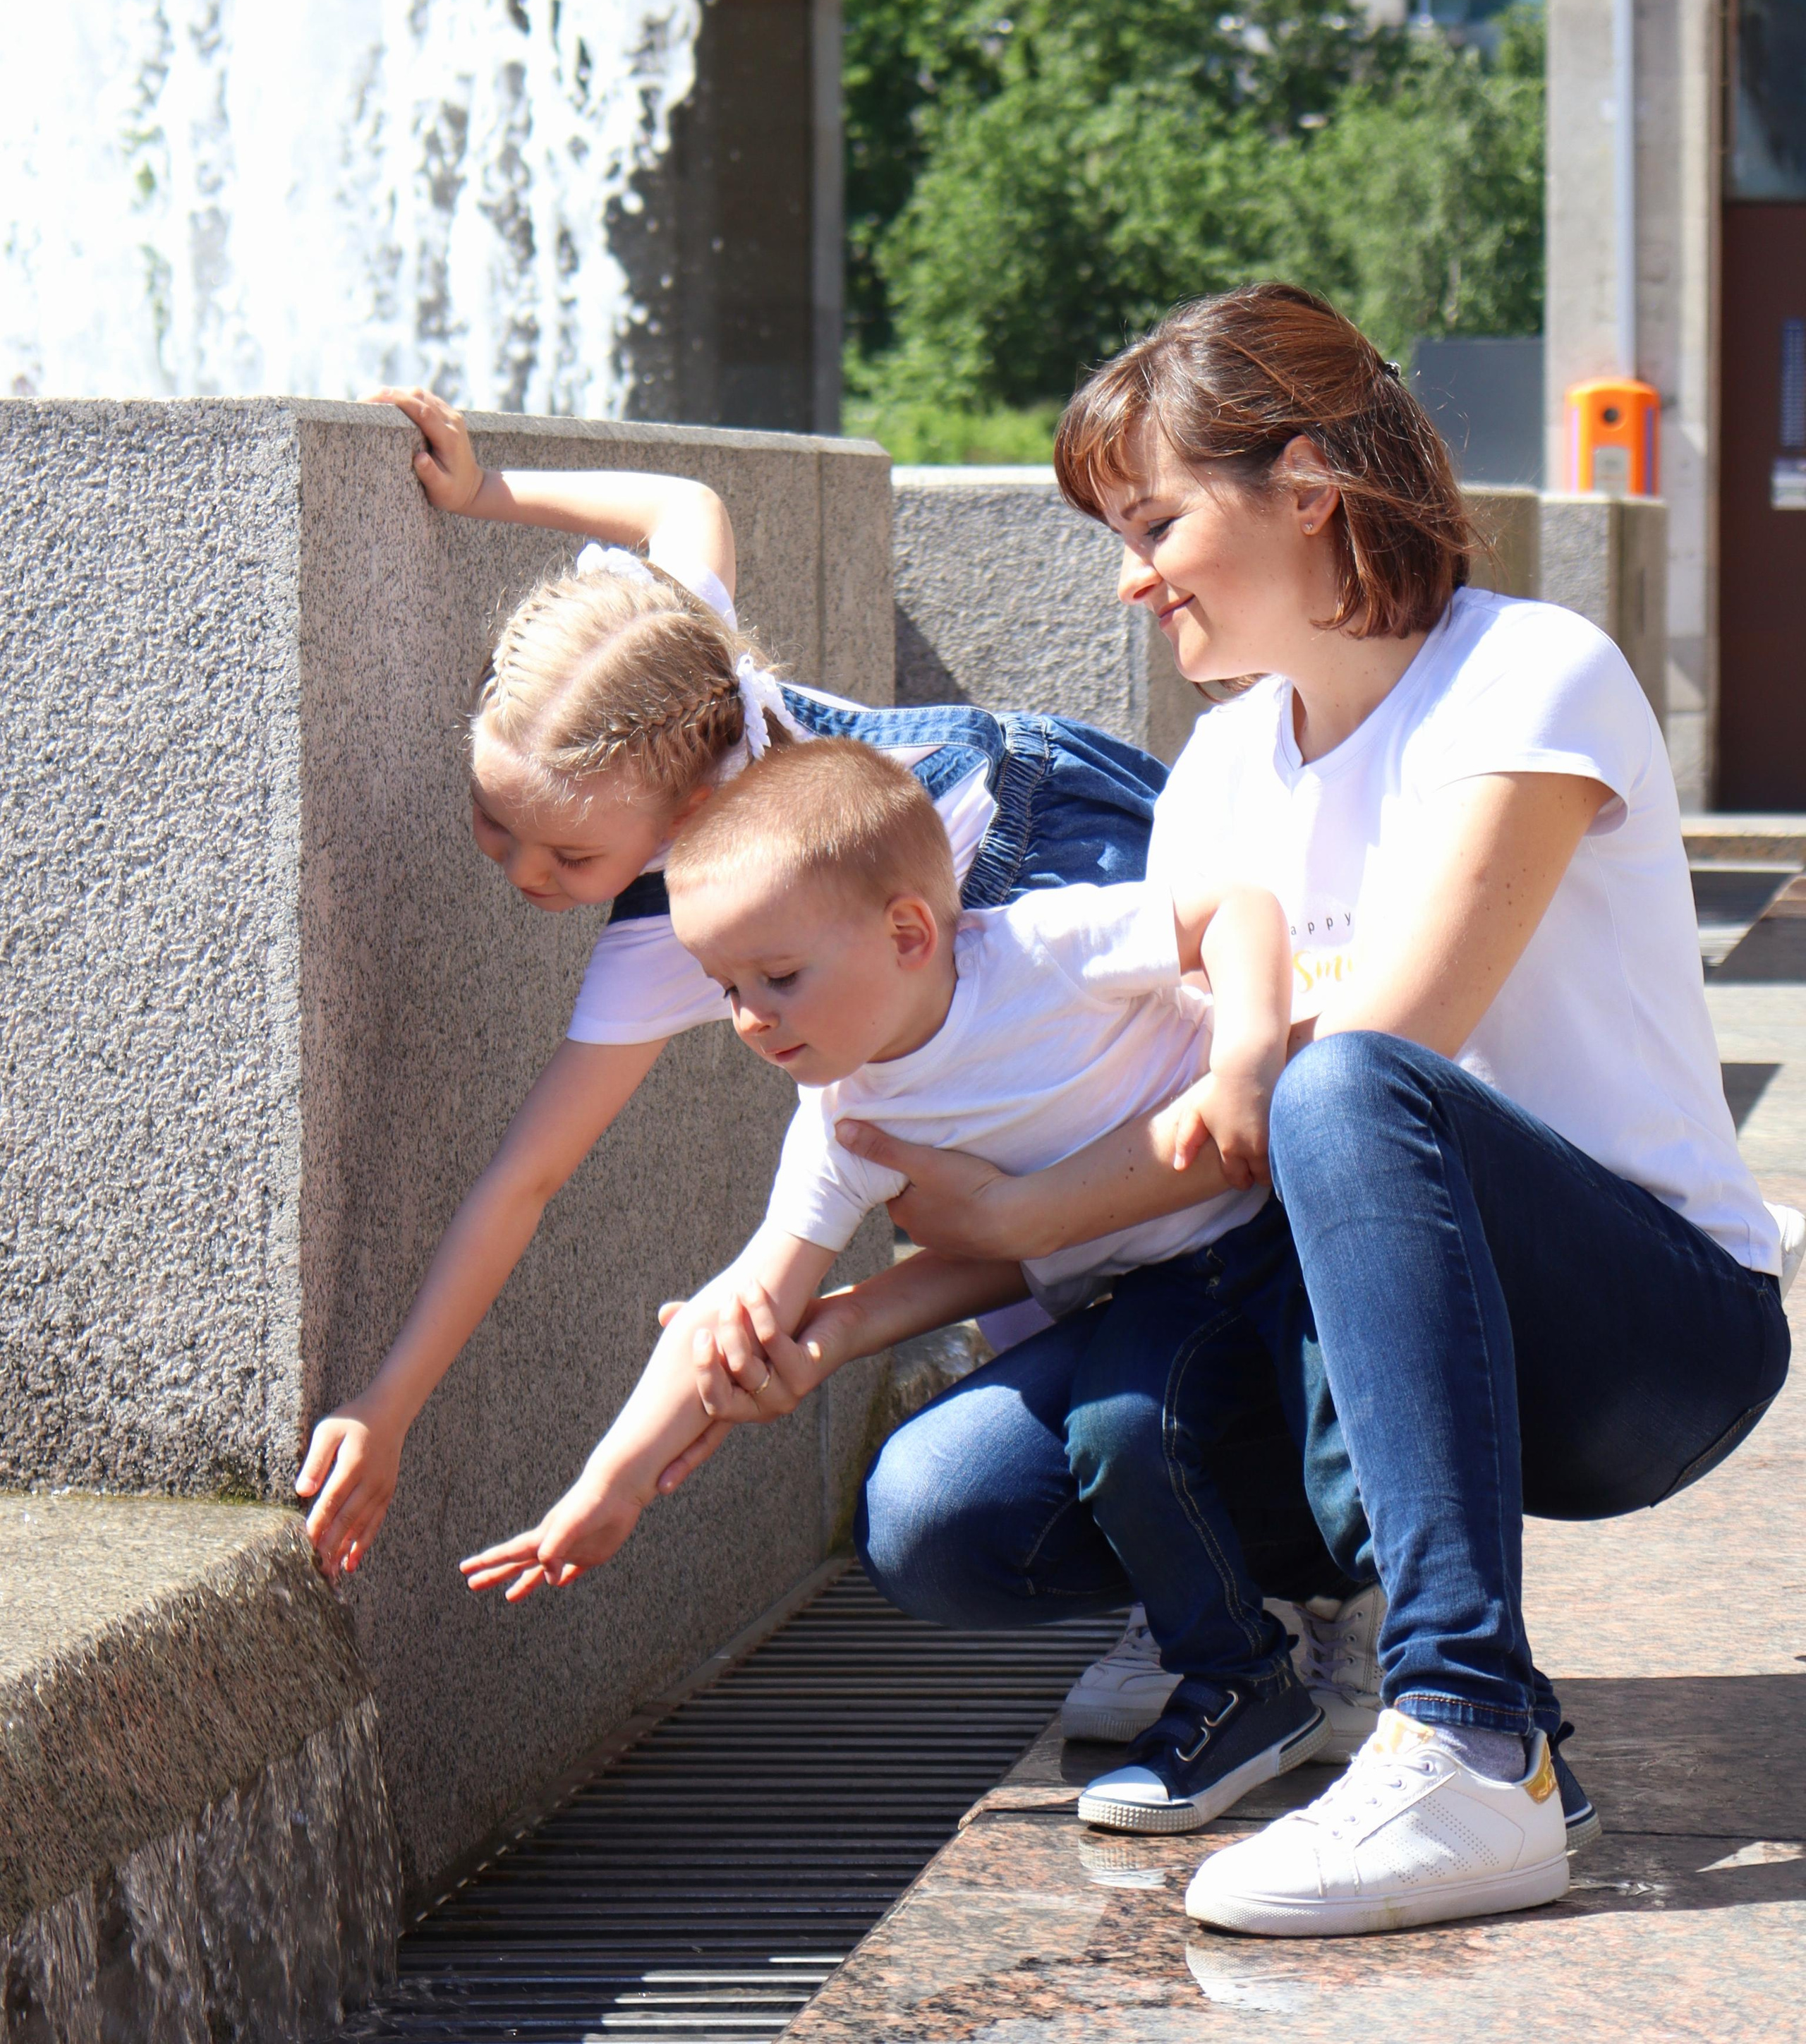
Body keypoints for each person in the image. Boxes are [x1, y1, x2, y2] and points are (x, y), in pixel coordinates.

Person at [712, 284, 1795, 1937]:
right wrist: (825, 1315)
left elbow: (1364, 1061)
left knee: (1352, 1080)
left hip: (1638, 1333)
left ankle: (1467, 1737)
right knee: (941, 1518)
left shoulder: (1524, 678)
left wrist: (1009, 1216)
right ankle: (1331, 1647)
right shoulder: (1220, 775)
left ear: (1307, 491)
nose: (1128, 575)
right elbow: (1180, 1144)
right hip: (1333, 1307)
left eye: (1152, 522)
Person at [293, 389, 1168, 1581]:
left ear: (694, 806)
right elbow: (684, 506)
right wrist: (386, 1405)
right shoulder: (673, 679)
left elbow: (525, 1177)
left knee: (1171, 1185)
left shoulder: (668, 865)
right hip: (923, 969)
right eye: (494, 823)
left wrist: (492, 485)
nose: (525, 873)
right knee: (1032, 1255)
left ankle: (1284, 1547)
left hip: (1055, 860)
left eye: (571, 857)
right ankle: (1166, 1573)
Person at [461, 735, 1355, 1832]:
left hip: (1274, 1233)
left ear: (908, 931)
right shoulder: (847, 1124)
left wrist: (1245, 1060)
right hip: (1162, 1287)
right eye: (727, 986)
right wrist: (611, 1485)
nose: (750, 1018)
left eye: (780, 977)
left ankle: (1300, 1642)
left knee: (1195, 1424)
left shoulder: (1035, 952)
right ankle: (1238, 1661)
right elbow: (743, 1309)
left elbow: (1237, 907)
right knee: (1117, 1420)